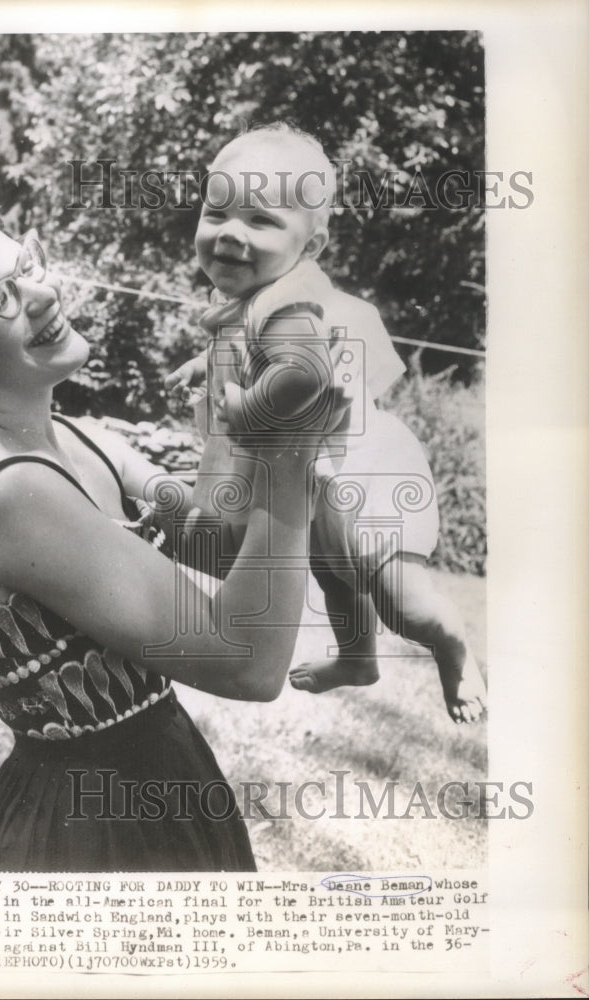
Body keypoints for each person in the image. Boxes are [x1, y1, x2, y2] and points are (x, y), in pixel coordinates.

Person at [0, 174, 324, 873]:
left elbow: (224, 541)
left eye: (26, 264)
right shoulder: (7, 494)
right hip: (92, 838)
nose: (44, 293)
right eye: (2, 296)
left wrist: (235, 376)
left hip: (149, 797)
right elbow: (247, 660)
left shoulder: (79, 441)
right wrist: (291, 453)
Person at [166, 124, 486, 725]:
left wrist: (245, 408)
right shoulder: (260, 294)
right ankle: (358, 660)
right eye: (217, 212)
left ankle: (452, 644)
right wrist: (205, 362)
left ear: (310, 248)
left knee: (400, 601)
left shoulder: (288, 303)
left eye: (260, 221)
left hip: (364, 472)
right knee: (332, 571)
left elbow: (303, 376)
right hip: (323, 469)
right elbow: (246, 347)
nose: (231, 233)